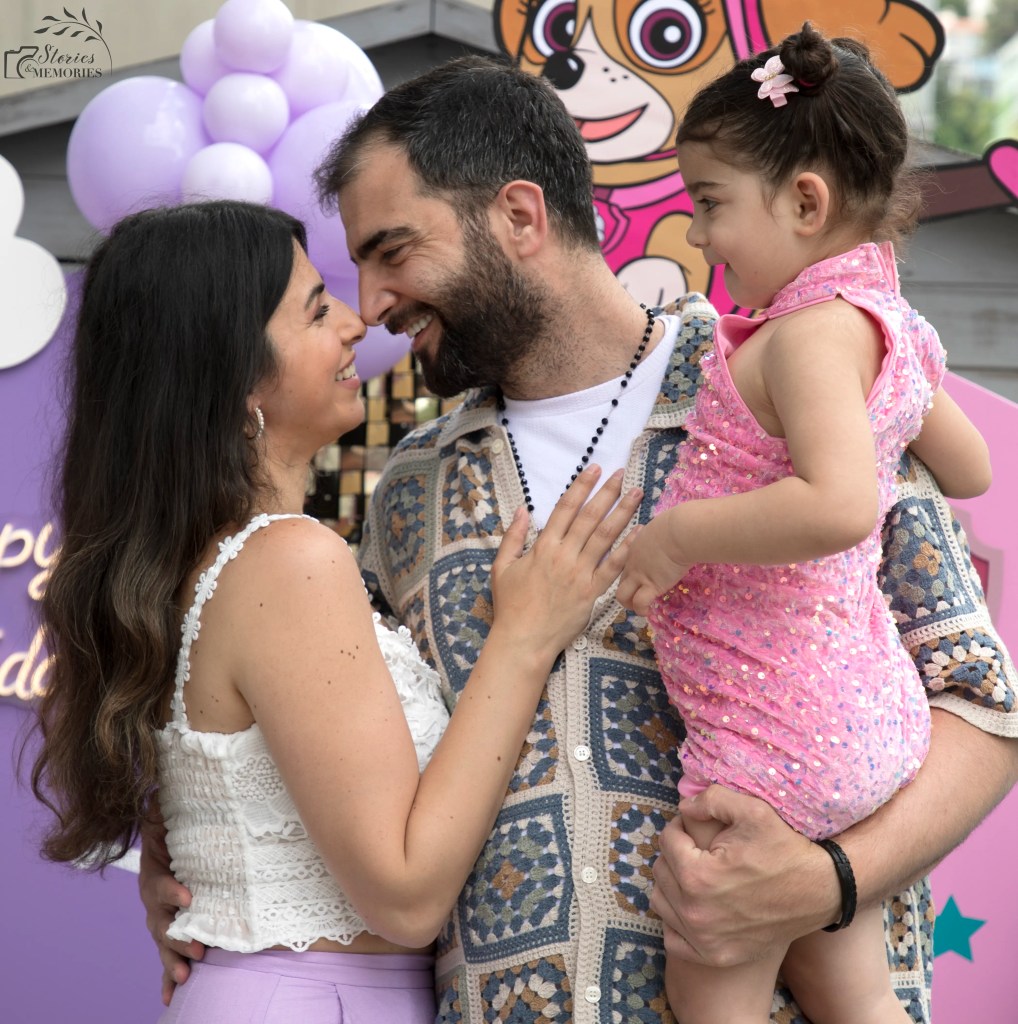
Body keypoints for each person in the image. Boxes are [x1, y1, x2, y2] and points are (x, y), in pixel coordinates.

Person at [142, 58, 1018, 1023]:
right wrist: (189, 856)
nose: (375, 301)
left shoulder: (792, 382)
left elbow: (986, 710)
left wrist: (828, 881)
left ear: (520, 217)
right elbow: (323, 737)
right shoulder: (408, 495)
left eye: (394, 250)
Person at [28, 199, 643, 1022]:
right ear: (236, 374)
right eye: (318, 310)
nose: (357, 324)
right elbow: (405, 896)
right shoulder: (287, 561)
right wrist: (523, 638)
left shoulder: (205, 562)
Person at [614, 22, 991, 1023]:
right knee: (849, 988)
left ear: (806, 202)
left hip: (776, 730)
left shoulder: (806, 338)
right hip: (864, 720)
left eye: (710, 203)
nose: (698, 234)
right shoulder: (894, 330)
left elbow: (840, 503)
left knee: (709, 980)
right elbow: (972, 467)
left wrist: (676, 536)